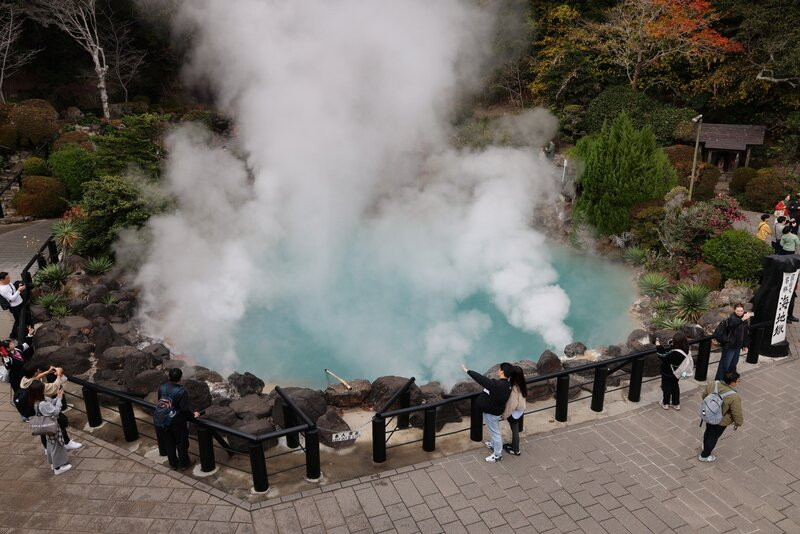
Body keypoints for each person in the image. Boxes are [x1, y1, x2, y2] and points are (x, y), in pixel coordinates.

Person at [19, 363, 81, 450]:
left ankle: (46, 448)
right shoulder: (39, 392)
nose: (39, 370)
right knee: (59, 422)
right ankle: (66, 443)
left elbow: (34, 378)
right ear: (35, 372)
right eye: (37, 370)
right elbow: (54, 388)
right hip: (44, 408)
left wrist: (47, 372)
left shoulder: (25, 380)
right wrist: (59, 375)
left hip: (34, 408)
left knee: (43, 428)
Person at [461, 362, 512, 462]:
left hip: (492, 413)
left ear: (502, 371)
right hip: (495, 411)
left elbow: (481, 379)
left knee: (495, 433)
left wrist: (467, 370)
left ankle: (497, 455)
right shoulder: (507, 384)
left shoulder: (497, 385)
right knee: (494, 430)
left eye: (499, 369)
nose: (498, 370)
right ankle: (493, 445)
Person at [158, 368, 200, 470]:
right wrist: (193, 415)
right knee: (181, 443)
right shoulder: (181, 391)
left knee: (169, 442)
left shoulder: (162, 387)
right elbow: (184, 409)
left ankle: (173, 463)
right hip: (177, 422)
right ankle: (184, 464)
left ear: (169, 377)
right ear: (180, 378)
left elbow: (160, 402)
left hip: (163, 419)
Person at [28, 380, 72, 474]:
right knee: (57, 446)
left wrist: (58, 397)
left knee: (50, 445)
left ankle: (53, 464)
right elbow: (55, 412)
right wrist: (60, 399)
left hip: (46, 427)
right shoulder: (43, 404)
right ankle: (57, 468)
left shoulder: (36, 400)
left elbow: (51, 403)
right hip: (52, 426)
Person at [699, 371, 743, 462]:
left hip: (709, 415)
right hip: (721, 421)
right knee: (713, 437)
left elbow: (704, 396)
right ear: (732, 383)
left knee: (708, 431)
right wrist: (738, 423)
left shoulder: (713, 384)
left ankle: (705, 445)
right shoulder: (734, 396)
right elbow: (736, 412)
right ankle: (705, 455)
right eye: (738, 381)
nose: (739, 382)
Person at [715, 304, 752, 381]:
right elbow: (732, 325)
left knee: (733, 363)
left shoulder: (744, 319)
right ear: (734, 310)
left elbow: (745, 333)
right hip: (729, 346)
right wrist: (742, 319)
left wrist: (745, 345)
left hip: (737, 345)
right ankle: (719, 380)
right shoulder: (732, 318)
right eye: (738, 311)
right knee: (725, 364)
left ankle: (730, 379)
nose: (740, 312)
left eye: (741, 311)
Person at [655, 333, 690, 410]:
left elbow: (662, 355)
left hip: (668, 372)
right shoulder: (686, 349)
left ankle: (665, 403)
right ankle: (676, 403)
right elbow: (673, 347)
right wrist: (672, 343)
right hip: (678, 372)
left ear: (676, 343)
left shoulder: (674, 353)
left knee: (666, 387)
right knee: (675, 386)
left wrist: (658, 346)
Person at [502, 365, 526, 456]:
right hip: (520, 411)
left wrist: (504, 415)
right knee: (515, 431)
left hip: (514, 413)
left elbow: (511, 405)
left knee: (515, 431)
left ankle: (516, 450)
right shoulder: (522, 383)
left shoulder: (514, 389)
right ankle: (513, 445)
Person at [0, 272, 26, 340]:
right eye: (7, 278)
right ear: (2, 280)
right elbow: (12, 298)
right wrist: (19, 290)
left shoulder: (8, 283)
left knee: (21, 319)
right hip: (15, 307)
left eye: (9, 277)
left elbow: (13, 290)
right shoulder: (3, 289)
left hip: (20, 303)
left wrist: (18, 286)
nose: (9, 279)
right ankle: (14, 335)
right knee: (18, 321)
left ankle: (17, 334)